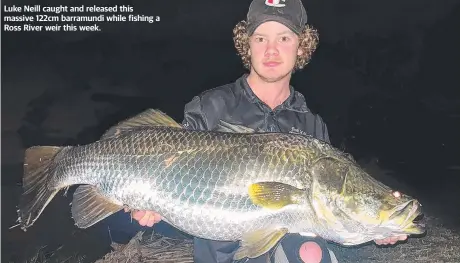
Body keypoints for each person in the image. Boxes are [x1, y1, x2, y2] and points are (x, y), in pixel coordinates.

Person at [129, 0, 408, 262]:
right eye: (261, 38)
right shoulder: (211, 106)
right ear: (247, 45)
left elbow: (324, 218)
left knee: (311, 253)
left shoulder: (311, 125)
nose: (271, 50)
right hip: (220, 255)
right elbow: (168, 159)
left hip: (282, 251)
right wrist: (147, 197)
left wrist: (377, 227)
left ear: (302, 46)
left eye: (284, 38)